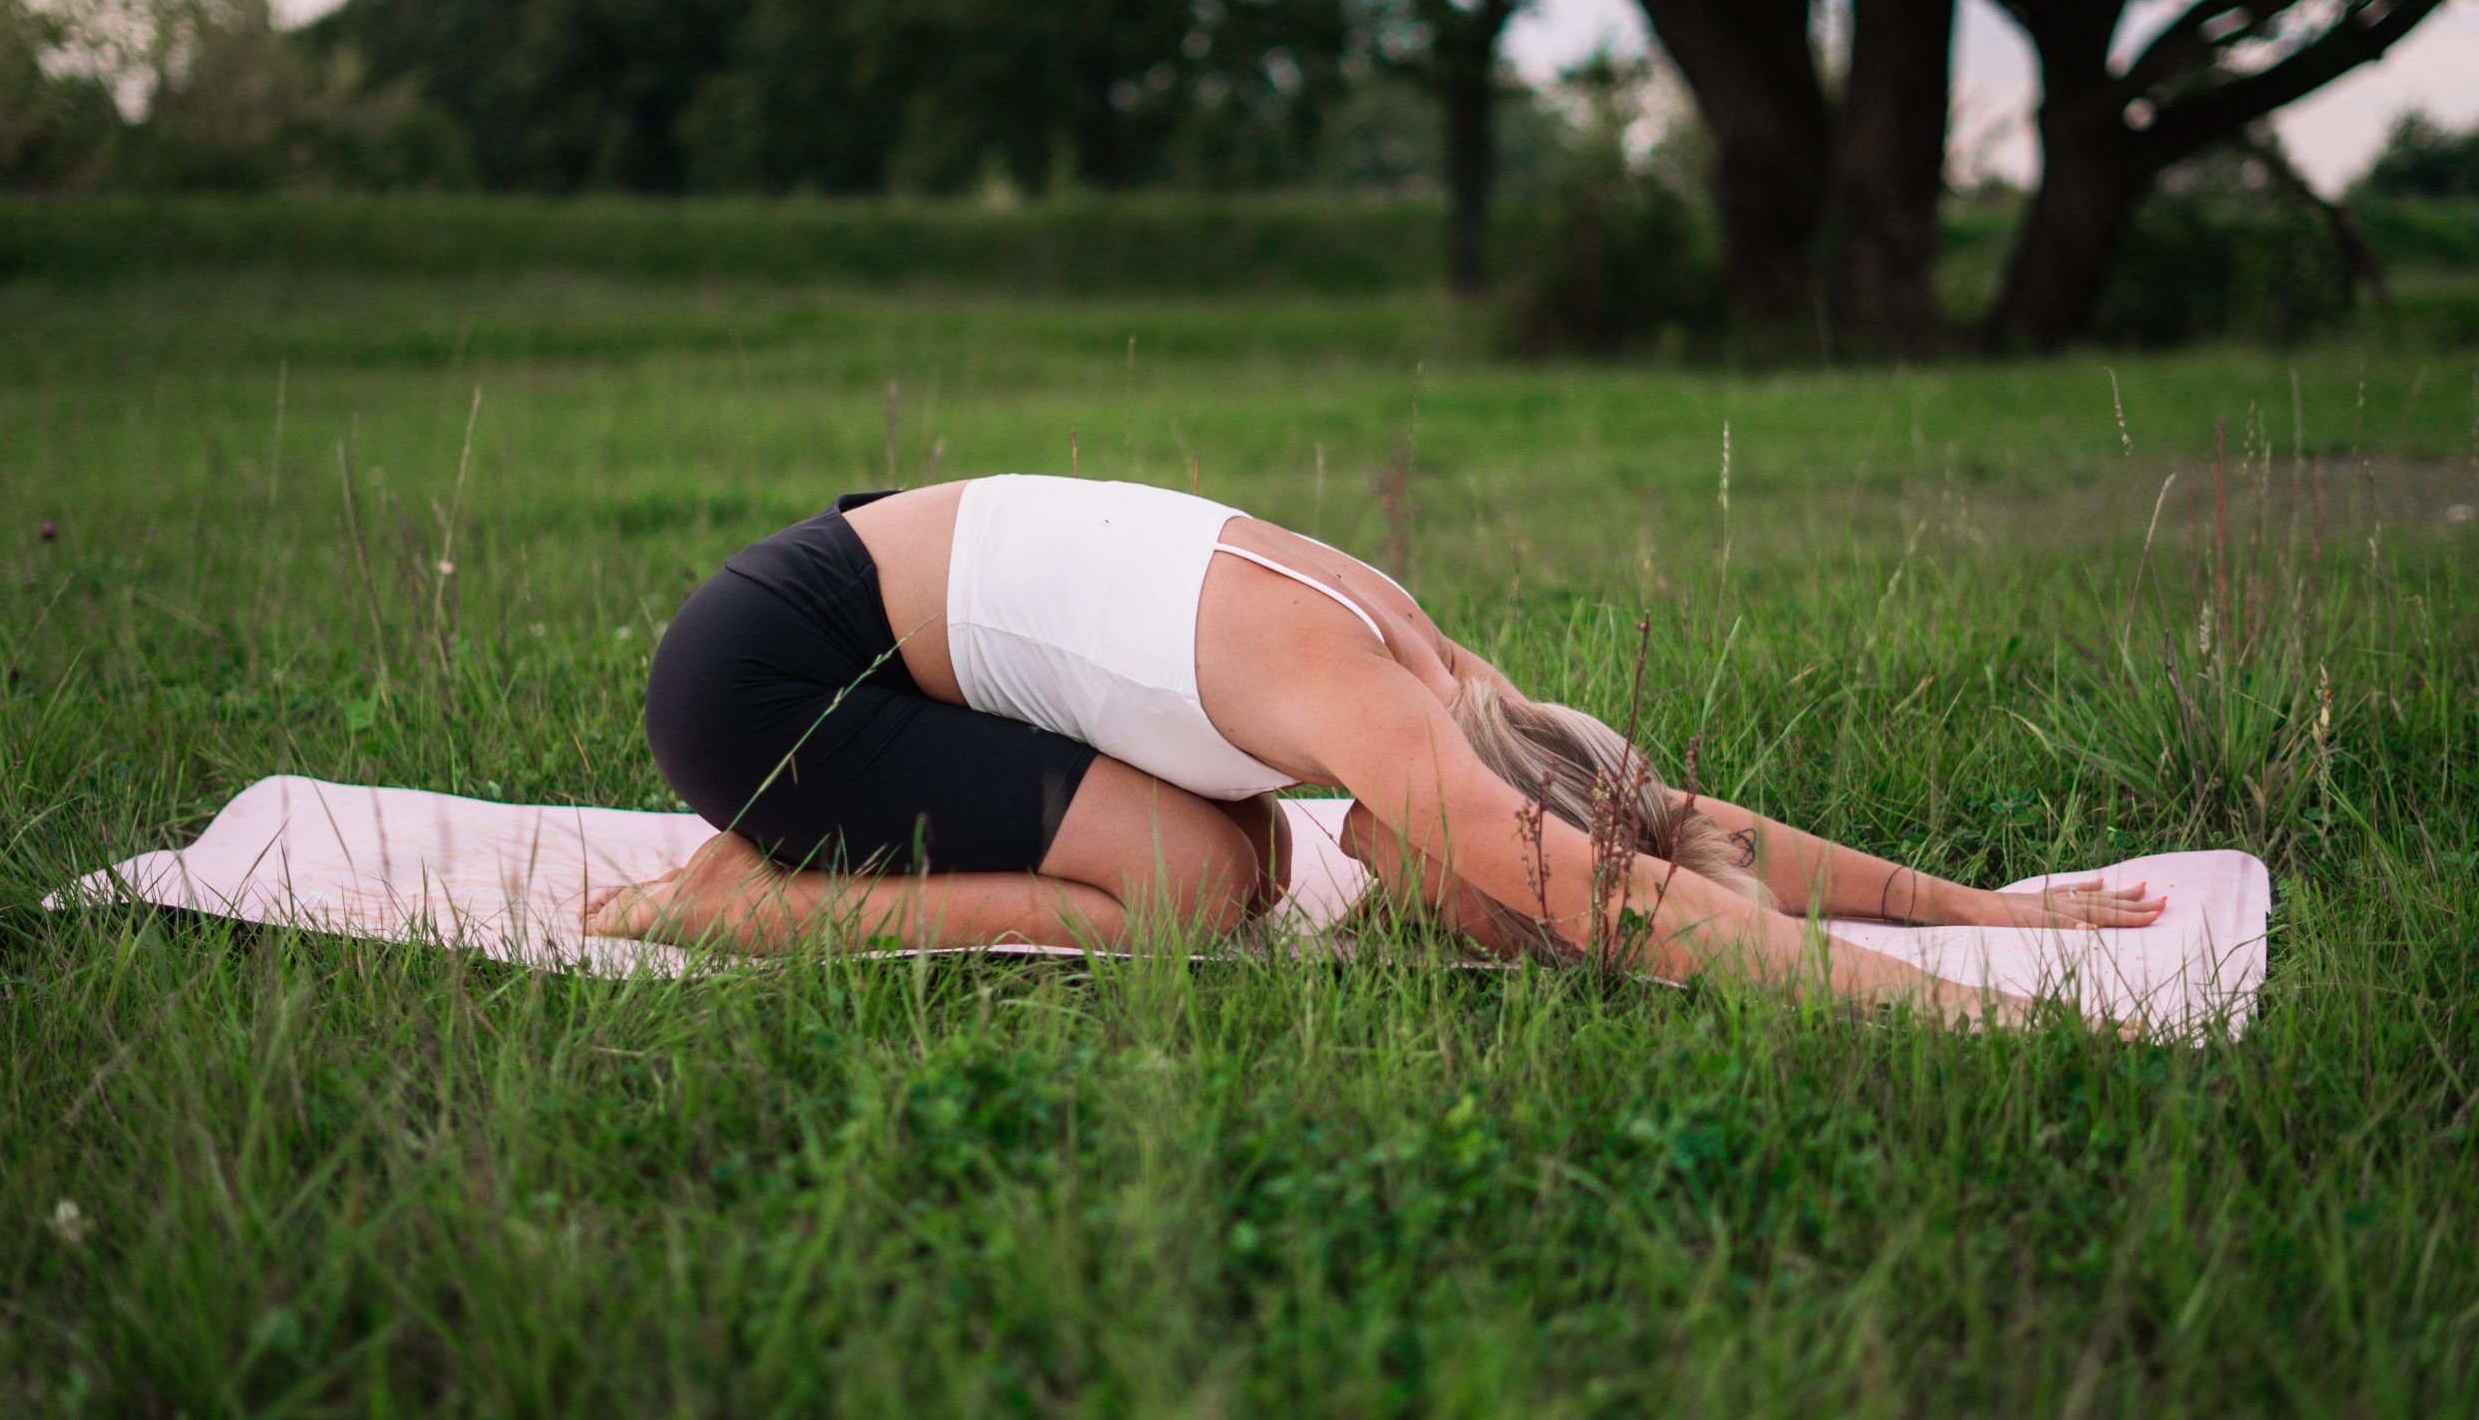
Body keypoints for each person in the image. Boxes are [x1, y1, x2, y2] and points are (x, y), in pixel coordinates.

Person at [586, 476, 2161, 1022]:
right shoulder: (1389, 721)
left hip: (868, 622)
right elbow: (1615, 891)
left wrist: (1975, 905)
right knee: (1191, 897)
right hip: (771, 686)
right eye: (1506, 905)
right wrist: (1967, 1011)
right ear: (1484, 818)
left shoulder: (1458, 685)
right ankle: (730, 898)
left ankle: (796, 846)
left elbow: (1664, 829)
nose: (1499, 926)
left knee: (1244, 861)